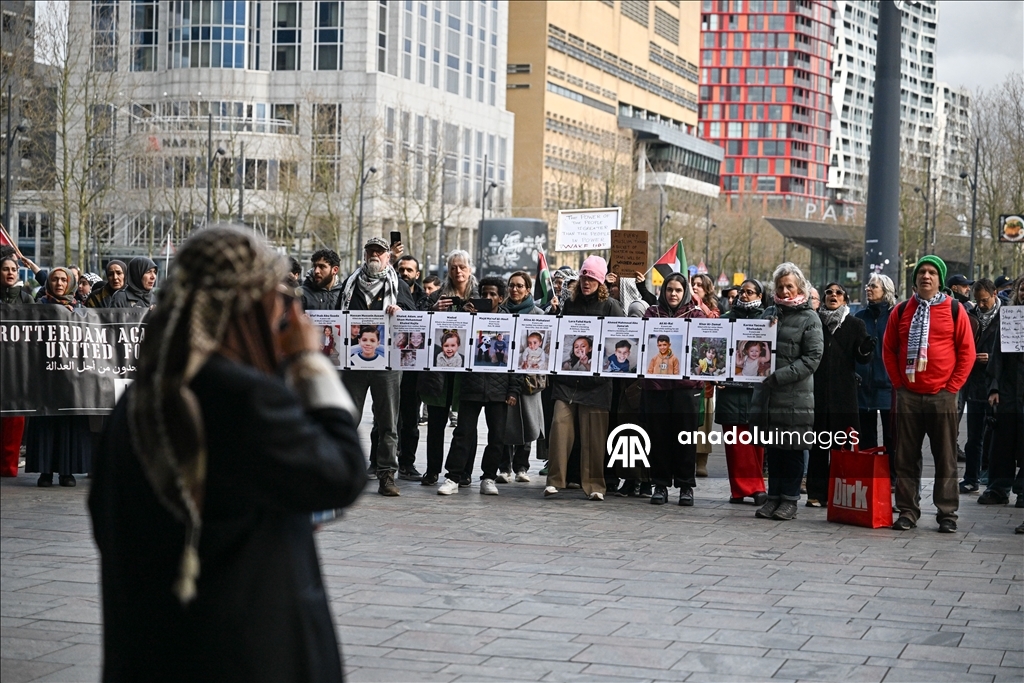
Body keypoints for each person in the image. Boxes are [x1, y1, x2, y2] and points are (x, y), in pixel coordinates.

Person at [88, 225, 365, 682]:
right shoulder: (243, 399)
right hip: (242, 655)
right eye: (278, 294)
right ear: (248, 306)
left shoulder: (139, 402)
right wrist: (308, 361)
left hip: (152, 651)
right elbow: (343, 472)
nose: (287, 310)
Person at [884, 255, 975, 533]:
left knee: (945, 456)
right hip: (908, 394)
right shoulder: (900, 311)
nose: (926, 276)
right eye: (921, 272)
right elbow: (888, 350)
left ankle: (947, 513)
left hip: (943, 396)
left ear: (940, 279)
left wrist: (952, 387)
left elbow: (967, 352)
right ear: (915, 279)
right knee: (906, 456)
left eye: (932, 272)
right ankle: (908, 512)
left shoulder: (955, 310)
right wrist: (899, 384)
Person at [337, 237, 416, 497]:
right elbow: (339, 316)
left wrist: (400, 309)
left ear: (387, 257)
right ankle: (342, 471)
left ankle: (387, 476)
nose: (374, 256)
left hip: (388, 364)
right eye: (370, 251)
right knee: (348, 419)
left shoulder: (399, 285)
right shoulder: (350, 285)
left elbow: (412, 317)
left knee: (388, 423)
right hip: (354, 363)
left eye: (379, 252)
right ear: (365, 254)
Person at [544, 255, 624, 501]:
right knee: (559, 427)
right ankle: (555, 480)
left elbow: (621, 338)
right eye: (584, 276)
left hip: (597, 384)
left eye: (592, 277)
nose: (587, 281)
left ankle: (595, 486)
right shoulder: (570, 303)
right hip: (569, 381)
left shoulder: (612, 306)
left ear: (600, 281)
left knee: (594, 437)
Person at [752, 263, 823, 521]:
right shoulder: (769, 313)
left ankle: (790, 500)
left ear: (800, 287)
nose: (784, 290)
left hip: (794, 396)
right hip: (769, 396)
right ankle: (773, 498)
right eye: (780, 286)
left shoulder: (809, 317)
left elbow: (813, 358)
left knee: (792, 450)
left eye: (789, 286)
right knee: (774, 450)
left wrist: (779, 376)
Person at [436, 278, 516, 495]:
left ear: (501, 297)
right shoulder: (468, 318)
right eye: (484, 294)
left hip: (499, 388)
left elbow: (516, 360)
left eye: (492, 295)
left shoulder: (510, 321)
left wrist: (513, 390)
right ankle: (453, 477)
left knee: (497, 436)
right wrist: (466, 318)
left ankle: (488, 477)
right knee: (463, 433)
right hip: (471, 385)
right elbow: (450, 336)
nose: (488, 298)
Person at [805, 282, 873, 507]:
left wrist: (865, 348)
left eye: (838, 293)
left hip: (844, 393)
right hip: (817, 392)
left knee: (843, 445)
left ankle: (841, 492)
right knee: (818, 445)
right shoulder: (814, 321)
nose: (833, 296)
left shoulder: (855, 324)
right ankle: (816, 493)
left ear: (845, 299)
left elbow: (862, 359)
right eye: (829, 293)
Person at [24, 268, 92, 487]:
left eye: (64, 280)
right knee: (45, 421)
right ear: (49, 282)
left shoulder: (81, 309)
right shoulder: (39, 307)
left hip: (72, 378)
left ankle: (67, 471)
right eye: (55, 279)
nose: (59, 283)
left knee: (68, 424)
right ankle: (45, 472)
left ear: (70, 283)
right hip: (44, 377)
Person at [642, 273, 705, 506]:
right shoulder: (652, 313)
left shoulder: (696, 315)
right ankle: (660, 484)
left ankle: (686, 486)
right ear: (663, 291)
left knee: (685, 437)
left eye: (678, 290)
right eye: (669, 289)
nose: (673, 294)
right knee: (658, 436)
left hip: (686, 388)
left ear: (685, 291)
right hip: (656, 386)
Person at [417, 250, 478, 485]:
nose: (458, 271)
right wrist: (434, 313)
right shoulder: (438, 296)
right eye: (453, 267)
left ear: (470, 268)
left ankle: (464, 471)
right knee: (435, 423)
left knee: (466, 425)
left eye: (462, 266)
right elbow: (421, 323)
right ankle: (432, 469)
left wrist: (478, 314)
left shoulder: (480, 295)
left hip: (468, 372)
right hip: (439, 370)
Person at [716, 279, 769, 505]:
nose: (745, 296)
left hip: (757, 393)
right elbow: (715, 350)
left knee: (756, 442)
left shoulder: (767, 320)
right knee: (736, 444)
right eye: (742, 292)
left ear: (759, 295)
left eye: (750, 292)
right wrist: (716, 375)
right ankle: (746, 488)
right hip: (730, 392)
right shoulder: (726, 320)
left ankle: (750, 487)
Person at [983, 276, 1023, 518]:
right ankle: (999, 488)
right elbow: (996, 355)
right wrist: (994, 388)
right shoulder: (1008, 319)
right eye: (1022, 290)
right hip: (1008, 390)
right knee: (1003, 443)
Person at [855, 274, 897, 484]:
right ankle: (869, 478)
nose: (868, 288)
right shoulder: (859, 316)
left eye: (873, 286)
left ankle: (892, 479)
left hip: (889, 386)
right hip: (863, 386)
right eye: (867, 285)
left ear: (885, 290)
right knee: (866, 437)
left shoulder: (895, 316)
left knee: (892, 437)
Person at [505, 271, 546, 482]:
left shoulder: (538, 313)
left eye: (520, 286)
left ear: (528, 289)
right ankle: (505, 467)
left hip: (530, 377)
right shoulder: (501, 312)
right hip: (505, 377)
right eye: (512, 285)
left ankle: (522, 466)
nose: (515, 289)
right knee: (506, 422)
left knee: (529, 421)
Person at [961, 279, 1001, 494]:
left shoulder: (1006, 317)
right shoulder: (970, 316)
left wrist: (992, 357)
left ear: (995, 294)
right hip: (975, 383)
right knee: (974, 436)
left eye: (984, 300)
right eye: (978, 301)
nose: (981, 305)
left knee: (995, 435)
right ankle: (971, 477)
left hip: (996, 384)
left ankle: (992, 479)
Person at [0, 254, 33, 477]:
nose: (11, 272)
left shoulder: (27, 299)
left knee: (14, 417)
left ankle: (8, 466)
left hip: (17, 367)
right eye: (5, 269)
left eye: (14, 269)